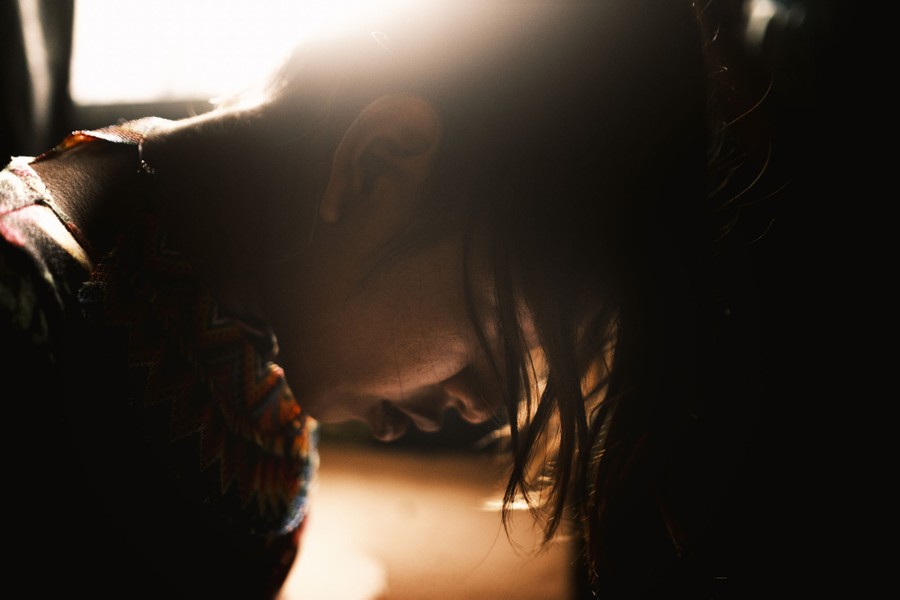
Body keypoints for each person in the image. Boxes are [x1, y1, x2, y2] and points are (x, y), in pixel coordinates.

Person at [2, 1, 772, 598]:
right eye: (492, 347)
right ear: (376, 166)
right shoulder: (26, 319)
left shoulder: (254, 316)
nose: (485, 407)